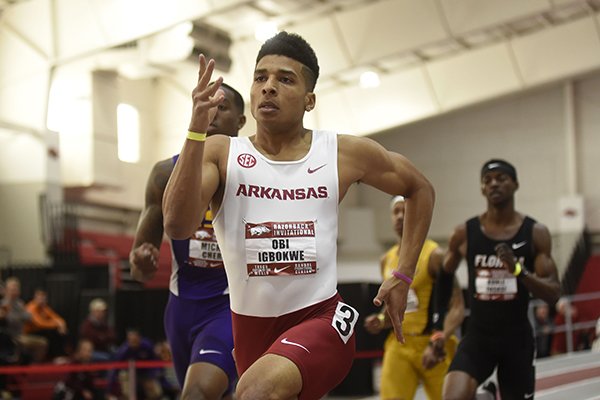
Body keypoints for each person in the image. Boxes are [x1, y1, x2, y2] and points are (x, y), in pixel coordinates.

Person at [162, 31, 435, 400]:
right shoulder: (221, 153)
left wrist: (403, 274)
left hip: (321, 318)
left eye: (284, 79)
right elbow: (177, 225)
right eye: (261, 77)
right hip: (250, 331)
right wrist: (194, 129)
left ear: (310, 100)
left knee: (256, 392)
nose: (269, 87)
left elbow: (420, 189)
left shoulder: (341, 153)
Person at [129, 82, 246, 400]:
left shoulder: (254, 174)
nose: (212, 113)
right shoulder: (165, 173)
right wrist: (141, 260)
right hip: (180, 309)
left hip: (230, 306)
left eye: (222, 107)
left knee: (197, 393)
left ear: (241, 121)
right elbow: (140, 271)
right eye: (206, 105)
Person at [433, 159, 561, 400]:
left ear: (515, 184)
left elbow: (554, 293)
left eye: (501, 178)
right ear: (482, 189)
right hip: (478, 337)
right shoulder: (464, 233)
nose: (494, 184)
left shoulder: (535, 233)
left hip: (517, 341)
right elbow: (444, 274)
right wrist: (438, 328)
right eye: (487, 180)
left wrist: (518, 271)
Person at [364, 195, 464, 400]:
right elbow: (395, 304)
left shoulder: (434, 255)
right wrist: (382, 320)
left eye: (406, 211)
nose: (400, 217)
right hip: (400, 345)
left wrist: (440, 338)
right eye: (396, 212)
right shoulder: (386, 260)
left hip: (433, 343)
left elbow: (457, 306)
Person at [1, 277, 48, 363]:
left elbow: (28, 317)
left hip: (21, 334)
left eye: (16, 288)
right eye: (12, 289)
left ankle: (32, 365)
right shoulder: (3, 304)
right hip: (8, 336)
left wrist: (19, 316)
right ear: (6, 290)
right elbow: (10, 320)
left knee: (43, 342)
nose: (14, 291)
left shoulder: (20, 303)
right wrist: (19, 316)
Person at [25, 288, 68, 360]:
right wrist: (56, 324)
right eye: (39, 297)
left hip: (41, 331)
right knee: (52, 332)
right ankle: (57, 356)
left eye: (43, 297)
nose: (41, 299)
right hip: (30, 332)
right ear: (35, 298)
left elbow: (57, 318)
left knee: (62, 331)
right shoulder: (31, 307)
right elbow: (39, 323)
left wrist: (61, 324)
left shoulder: (44, 308)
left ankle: (62, 355)